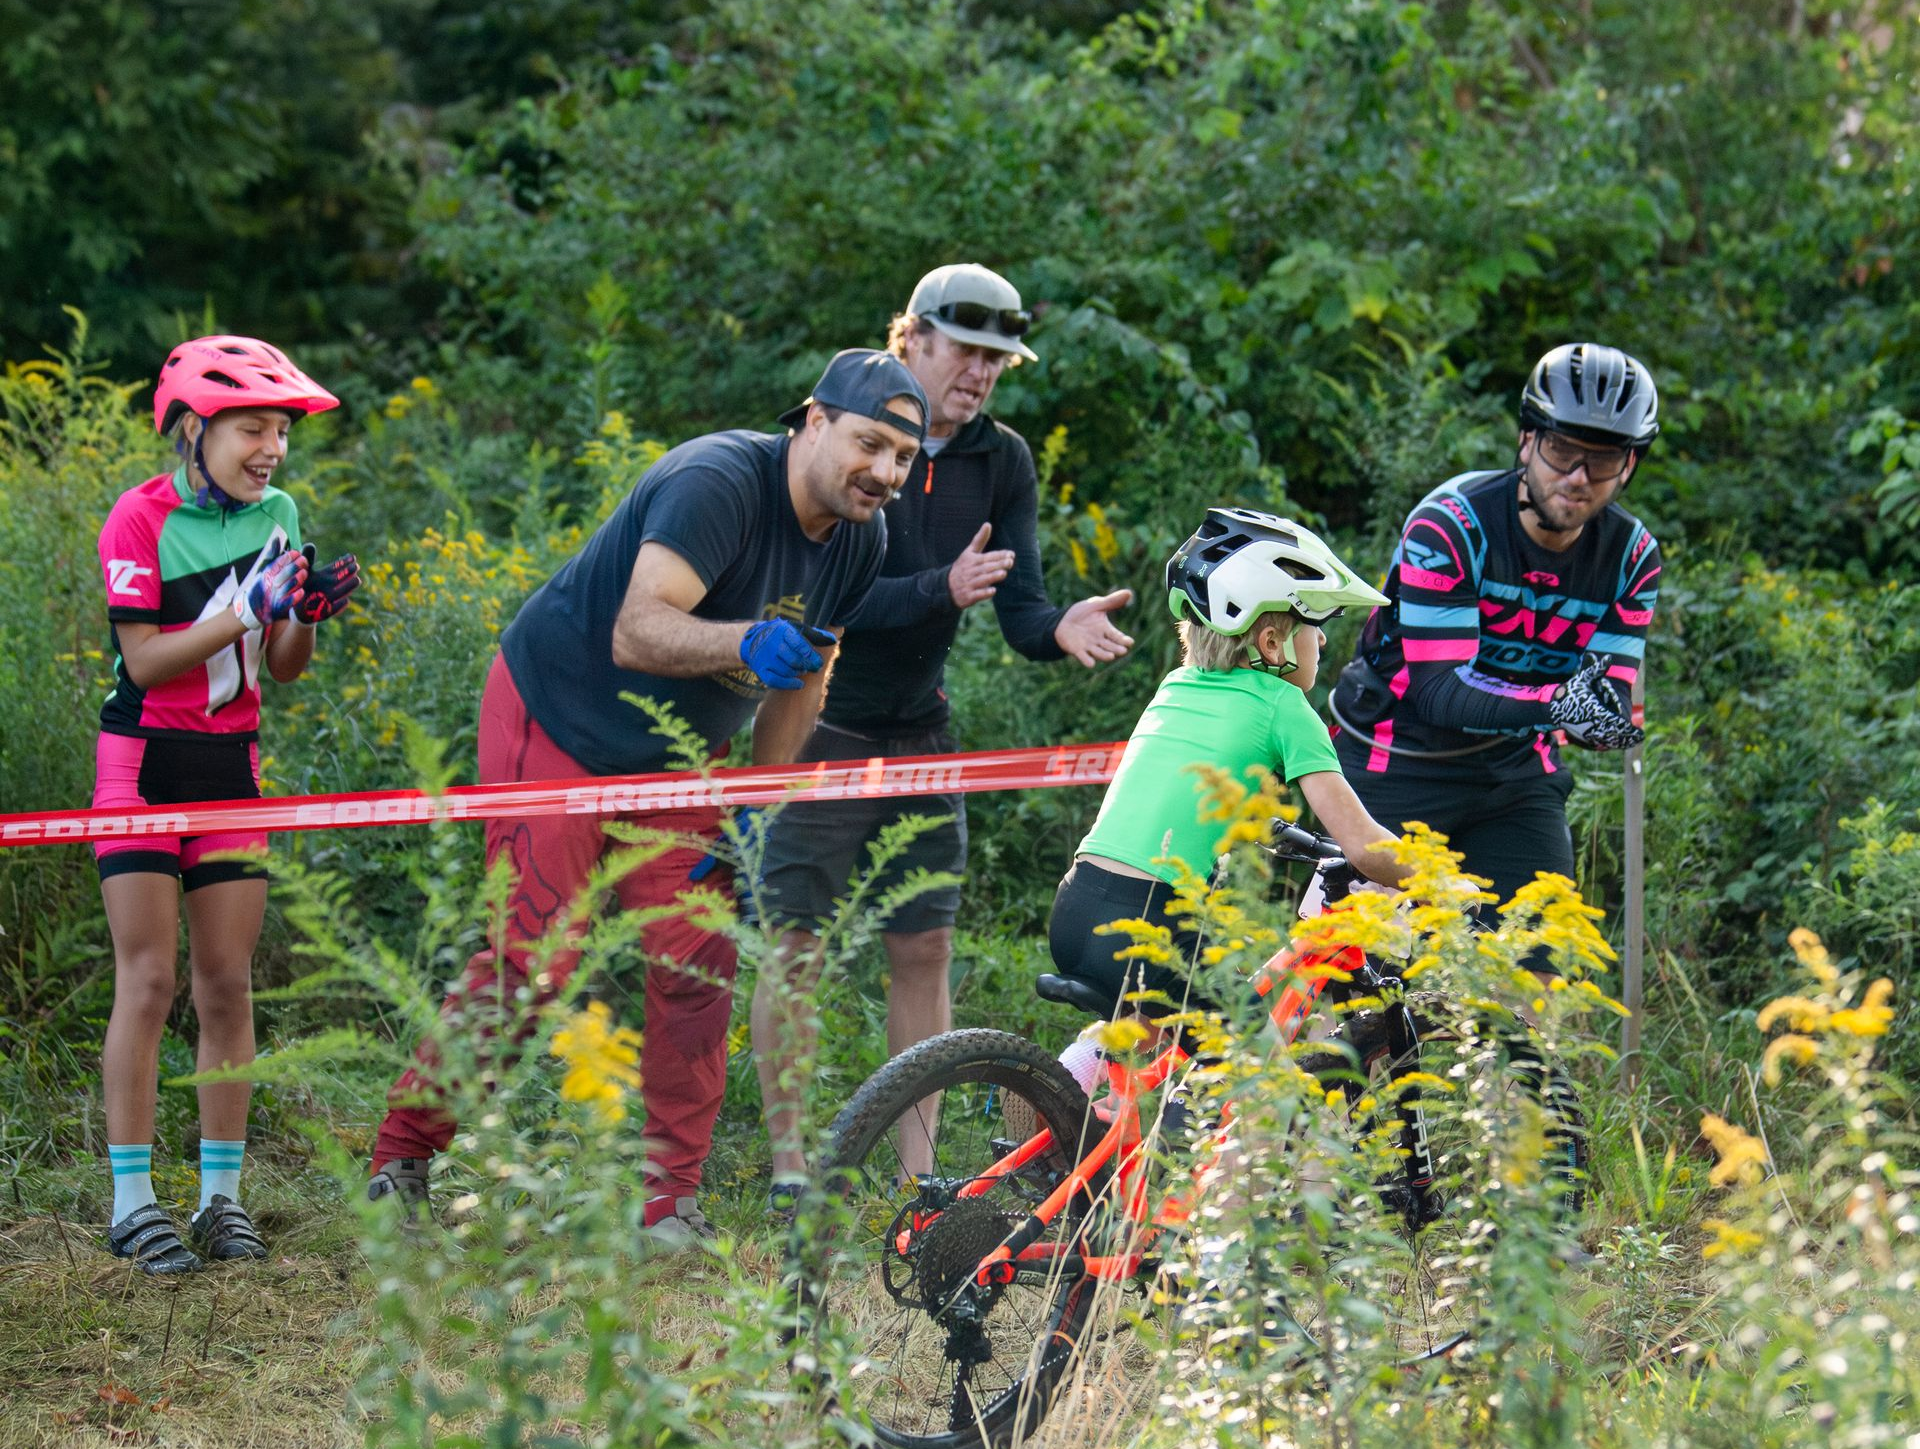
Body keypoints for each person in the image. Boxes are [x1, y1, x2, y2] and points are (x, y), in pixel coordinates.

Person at [366, 348, 922, 1246]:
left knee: (699, 956)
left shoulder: (864, 536)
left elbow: (809, 671)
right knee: (537, 959)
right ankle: (402, 1160)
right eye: (870, 443)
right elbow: (638, 627)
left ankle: (670, 1202)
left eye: (904, 458)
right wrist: (746, 641)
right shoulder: (717, 481)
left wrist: (760, 801)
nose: (885, 473)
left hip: (675, 756)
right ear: (813, 421)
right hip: (554, 715)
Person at [750, 264, 1134, 1201]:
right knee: (794, 946)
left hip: (922, 732)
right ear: (911, 336)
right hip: (818, 725)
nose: (982, 373)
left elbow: (1019, 608)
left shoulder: (1000, 460)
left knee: (922, 948)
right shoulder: (846, 433)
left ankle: (922, 1174)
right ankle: (793, 1166)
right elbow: (810, 603)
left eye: (998, 358)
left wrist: (1060, 627)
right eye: (967, 350)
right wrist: (936, 589)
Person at [98, 335, 360, 1274]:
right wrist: (248, 609)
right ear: (194, 428)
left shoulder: (280, 511)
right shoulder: (138, 519)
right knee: (151, 979)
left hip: (231, 765)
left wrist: (301, 616)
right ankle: (133, 1203)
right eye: (253, 428)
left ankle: (221, 1199)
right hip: (142, 762)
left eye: (280, 432)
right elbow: (145, 662)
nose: (272, 449)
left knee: (225, 981)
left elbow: (281, 670)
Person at [1047, 509, 1408, 1077]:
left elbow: (1185, 783)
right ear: (1272, 641)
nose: (1321, 641)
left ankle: (1047, 1131)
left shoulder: (1177, 686)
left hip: (1076, 907)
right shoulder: (1284, 706)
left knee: (1140, 1033)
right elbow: (1364, 847)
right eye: (1316, 626)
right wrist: (1440, 881)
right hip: (1154, 921)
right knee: (1271, 1097)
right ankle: (1246, 1161)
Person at [1327, 342, 1658, 929]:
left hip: (1515, 772)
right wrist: (1558, 704)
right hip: (1397, 755)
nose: (1578, 478)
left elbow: (1606, 695)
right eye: (1562, 450)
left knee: (1534, 986)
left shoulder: (1632, 557)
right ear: (1528, 440)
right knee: (1368, 984)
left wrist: (1598, 722)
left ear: (1629, 466)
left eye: (1603, 460)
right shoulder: (1453, 523)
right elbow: (1440, 692)